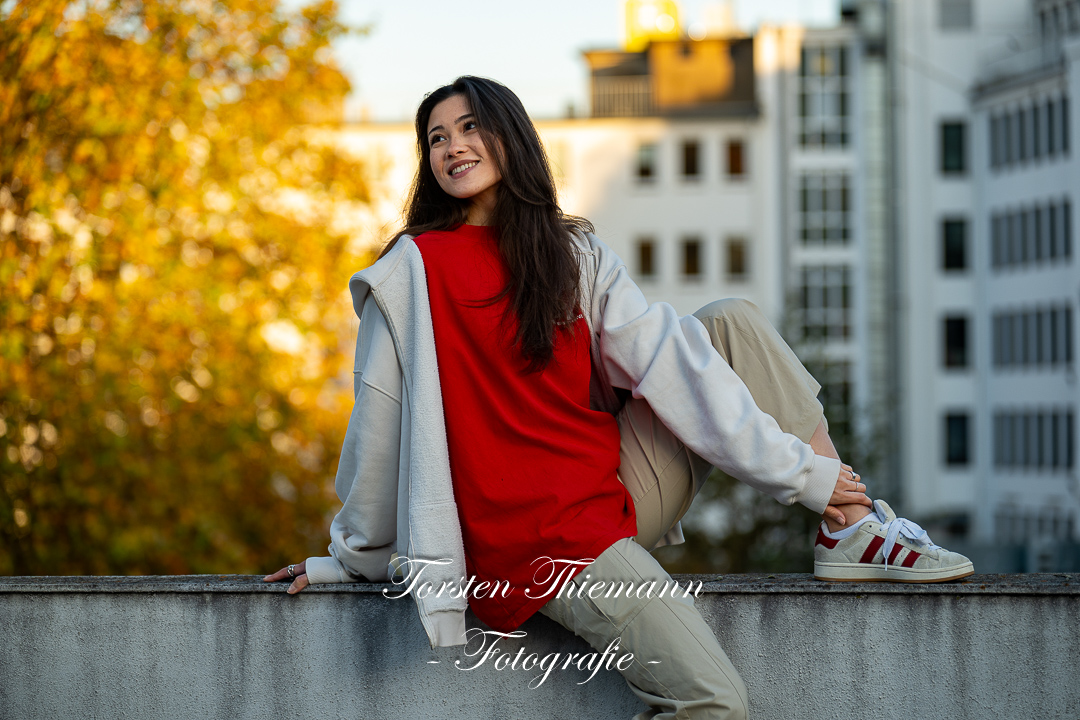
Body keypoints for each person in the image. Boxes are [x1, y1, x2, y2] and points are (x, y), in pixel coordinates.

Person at [264, 76, 974, 719]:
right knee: (713, 703)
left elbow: (671, 365)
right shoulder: (411, 271)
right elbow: (378, 430)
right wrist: (350, 558)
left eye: (471, 127)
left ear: (510, 135)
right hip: (545, 543)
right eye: (437, 138)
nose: (453, 146)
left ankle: (848, 527)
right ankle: (842, 508)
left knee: (729, 324)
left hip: (610, 490)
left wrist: (810, 479)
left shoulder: (571, 253)